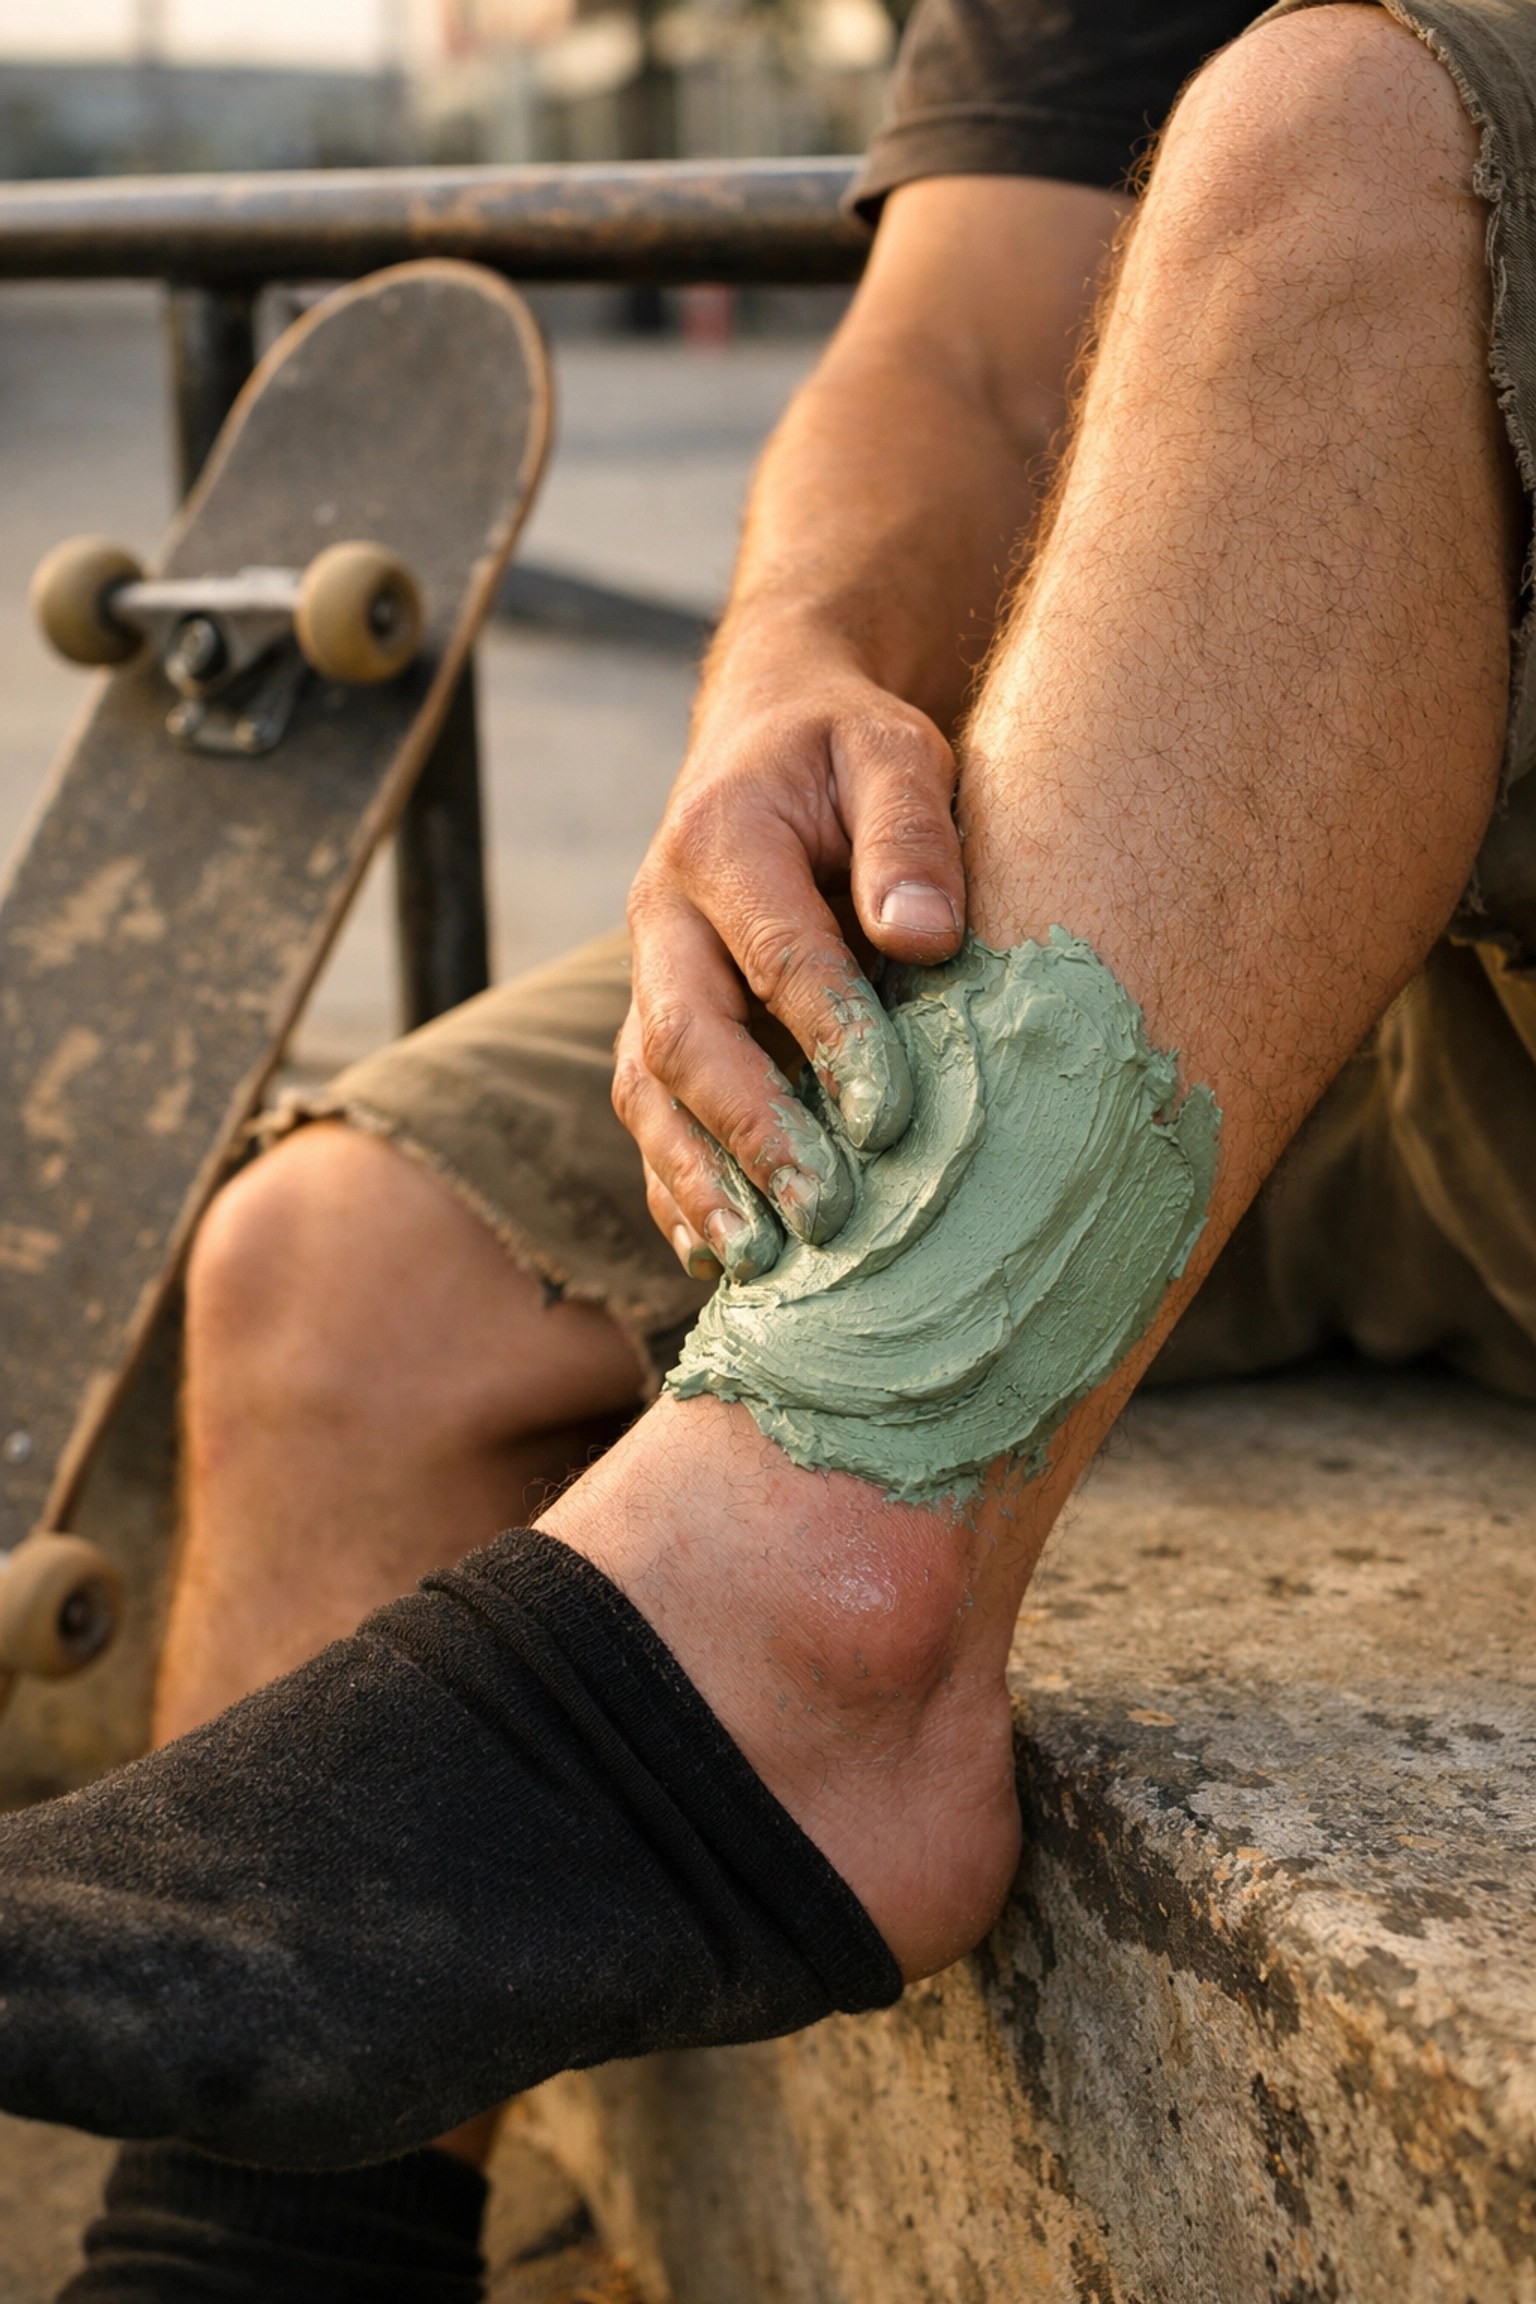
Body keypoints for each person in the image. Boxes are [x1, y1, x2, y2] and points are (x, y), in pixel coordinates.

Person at [9, 0, 1536, 2294]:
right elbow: (972, 348)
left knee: (1342, 119)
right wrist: (789, 675)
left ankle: (821, 1626)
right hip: (1265, 874)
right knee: (335, 1277)